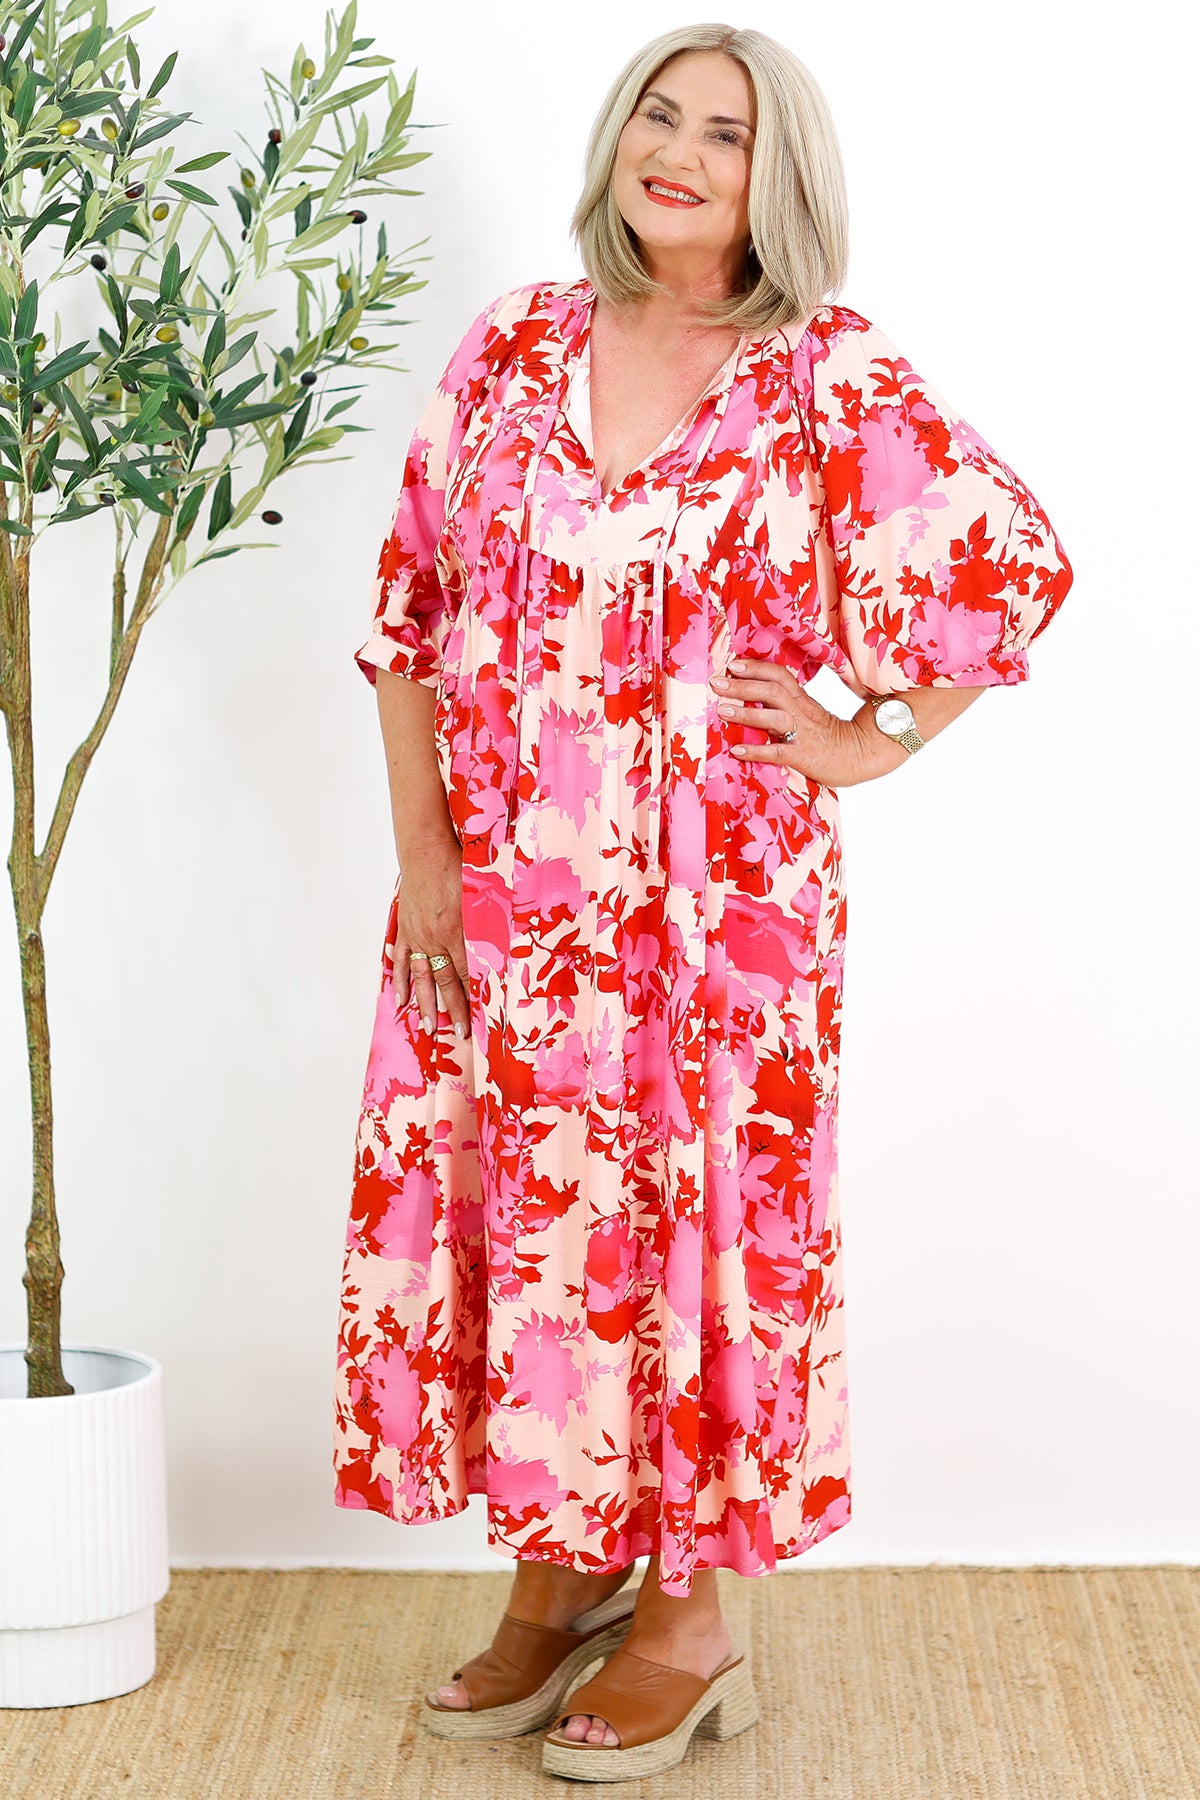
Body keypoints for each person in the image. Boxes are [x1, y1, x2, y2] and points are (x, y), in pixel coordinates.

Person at [331, 21, 1073, 1783]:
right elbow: (409, 614)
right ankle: (558, 1571)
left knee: (691, 1236)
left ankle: (686, 1619)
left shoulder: (825, 376)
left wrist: (871, 739)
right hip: (508, 900)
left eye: (725, 134)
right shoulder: (514, 349)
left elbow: (1013, 565)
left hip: (719, 914)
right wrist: (426, 861)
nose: (676, 150)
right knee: (533, 1226)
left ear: (776, 176)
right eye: (656, 115)